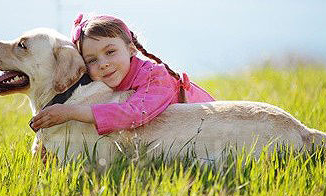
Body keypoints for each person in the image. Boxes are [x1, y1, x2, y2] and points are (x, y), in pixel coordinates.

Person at [30, 14, 215, 135]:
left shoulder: (155, 76)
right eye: (91, 60)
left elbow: (134, 113)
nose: (103, 64)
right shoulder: (105, 81)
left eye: (110, 52)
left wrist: (71, 112)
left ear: (131, 49)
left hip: (209, 128)